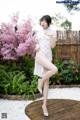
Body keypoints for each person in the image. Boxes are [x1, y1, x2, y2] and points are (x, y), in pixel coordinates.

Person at [33, 15, 58, 116]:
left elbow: (52, 46)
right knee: (55, 69)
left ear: (48, 23)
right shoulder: (37, 30)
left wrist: (53, 37)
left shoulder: (52, 31)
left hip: (48, 57)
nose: (42, 23)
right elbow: (34, 43)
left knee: (47, 83)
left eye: (44, 21)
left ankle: (44, 105)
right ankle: (40, 81)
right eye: (41, 21)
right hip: (40, 55)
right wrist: (36, 46)